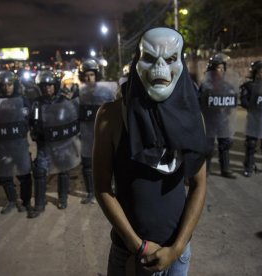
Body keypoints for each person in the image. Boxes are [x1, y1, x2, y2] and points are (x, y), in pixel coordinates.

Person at [94, 27, 207, 275]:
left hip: (176, 255)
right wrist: (139, 246)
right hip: (129, 252)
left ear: (181, 62)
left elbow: (199, 184)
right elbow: (102, 187)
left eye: (169, 59)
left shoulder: (192, 117)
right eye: (150, 58)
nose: (160, 68)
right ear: (136, 62)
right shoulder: (110, 116)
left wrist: (176, 249)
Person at [28, 70, 80, 218]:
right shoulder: (37, 104)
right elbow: (33, 120)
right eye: (44, 86)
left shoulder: (63, 101)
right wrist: (34, 130)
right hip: (44, 143)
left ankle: (63, 198)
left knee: (63, 170)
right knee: (39, 172)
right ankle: (39, 203)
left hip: (61, 144)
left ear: (55, 85)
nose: (47, 89)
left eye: (50, 85)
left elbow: (71, 119)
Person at [0, 70, 33, 214]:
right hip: (2, 144)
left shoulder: (23, 100)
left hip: (19, 144)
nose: (7, 88)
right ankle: (12, 200)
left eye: (10, 84)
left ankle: (26, 201)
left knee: (24, 174)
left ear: (15, 85)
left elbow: (30, 118)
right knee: (5, 175)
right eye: (3, 85)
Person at [78, 59, 116, 204]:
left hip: (104, 132)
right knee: (87, 166)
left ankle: (109, 190)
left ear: (96, 75)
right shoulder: (79, 93)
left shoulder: (106, 91)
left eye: (91, 75)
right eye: (86, 75)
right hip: (87, 133)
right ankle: (90, 193)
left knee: (108, 162)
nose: (89, 78)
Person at [198, 53, 237, 178]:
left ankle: (225, 169)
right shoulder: (205, 86)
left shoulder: (227, 86)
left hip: (222, 120)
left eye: (222, 68)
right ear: (211, 70)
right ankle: (206, 170)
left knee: (225, 144)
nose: (220, 71)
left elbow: (232, 103)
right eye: (218, 68)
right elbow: (199, 102)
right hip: (209, 120)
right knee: (208, 147)